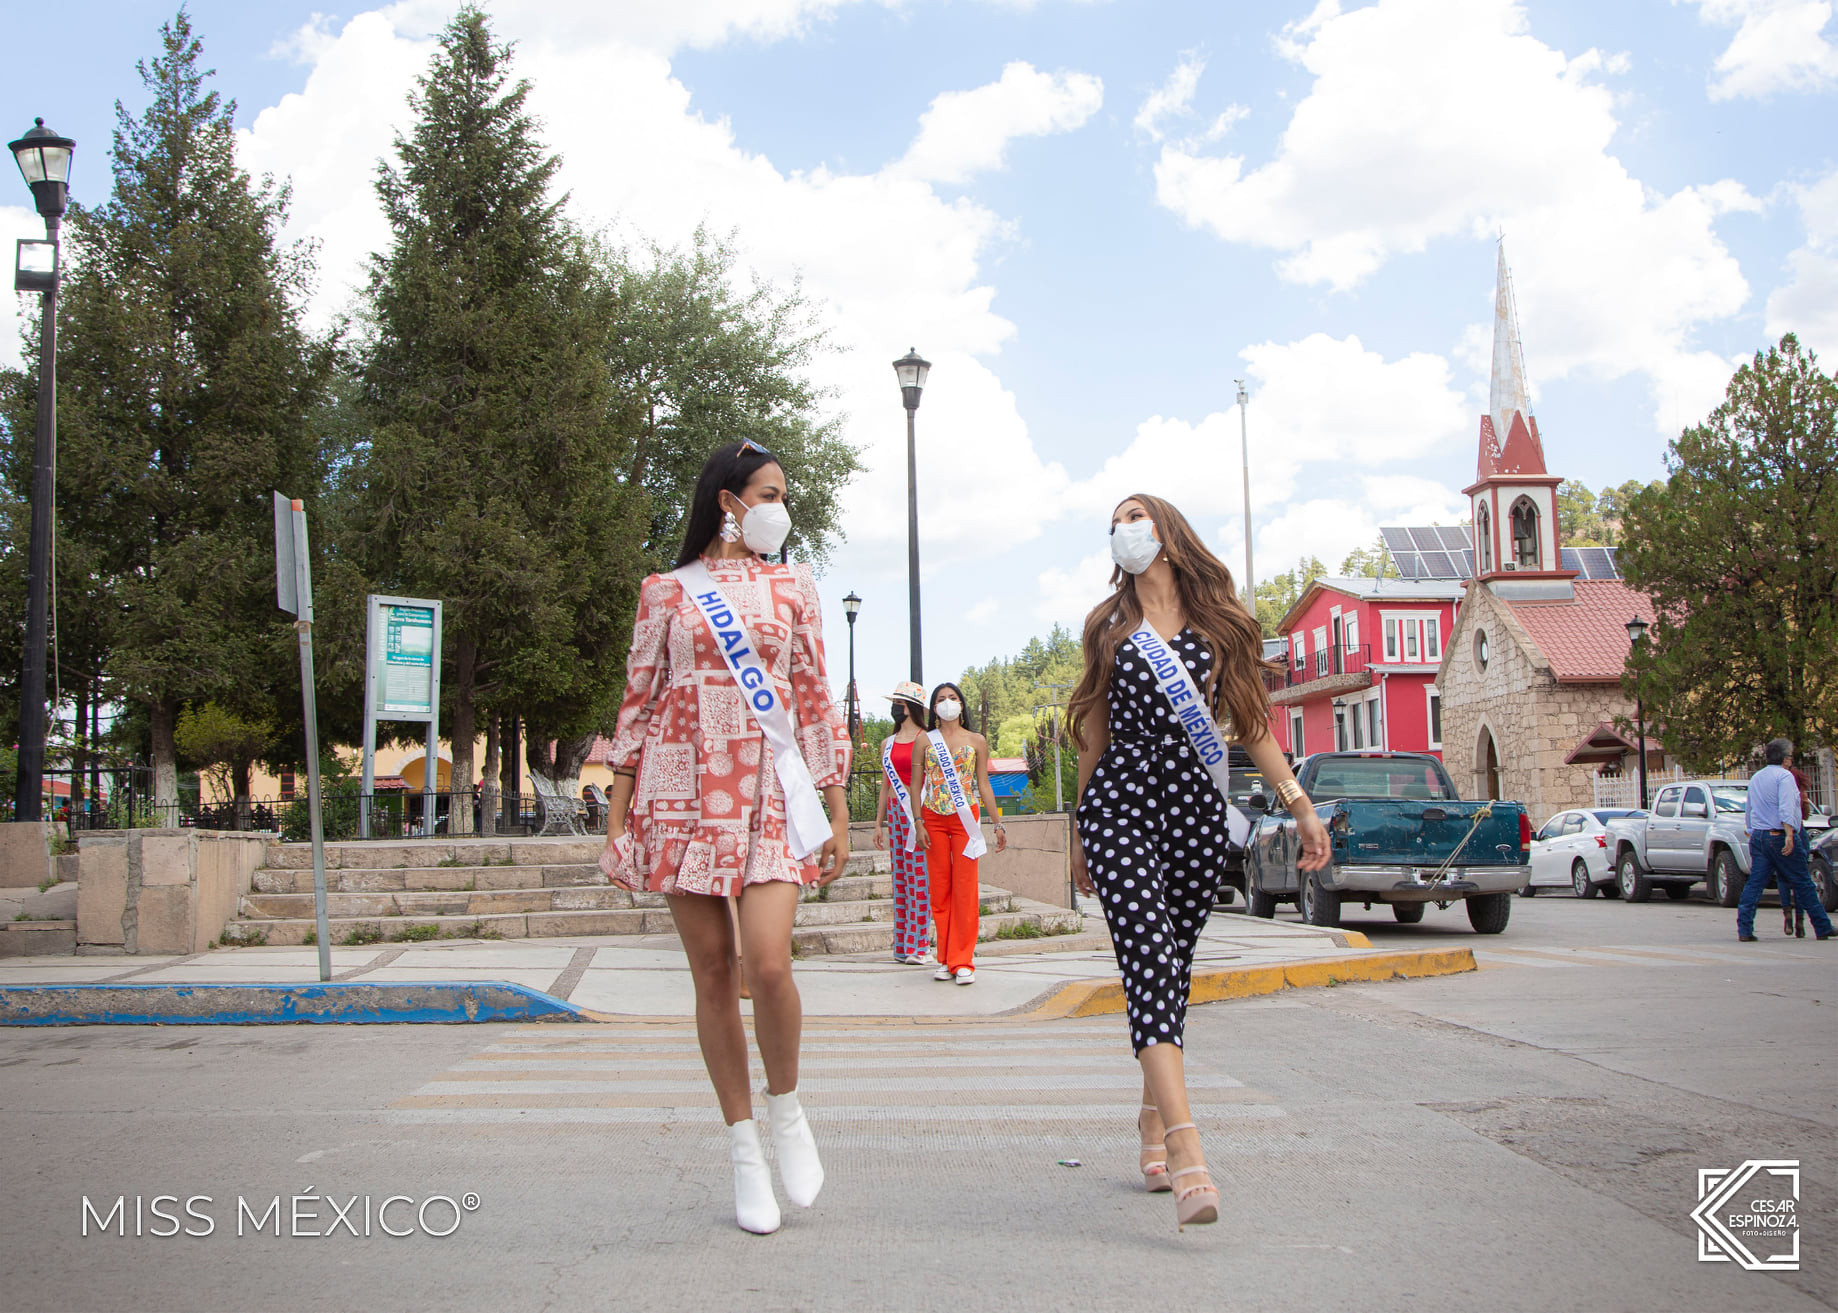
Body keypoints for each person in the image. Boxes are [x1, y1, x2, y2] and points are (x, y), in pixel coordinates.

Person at [601, 439, 854, 1236]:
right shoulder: (666, 591)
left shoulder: (796, 586)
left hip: (770, 793)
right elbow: (638, 698)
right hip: (682, 789)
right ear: (729, 500)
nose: (782, 506)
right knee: (713, 971)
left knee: (769, 963)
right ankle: (743, 1145)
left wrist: (836, 798)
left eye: (786, 495)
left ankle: (787, 1109)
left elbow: (813, 695)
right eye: (771, 491)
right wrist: (619, 799)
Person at [1068, 493, 1330, 1229]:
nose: (1124, 531)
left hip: (1193, 807)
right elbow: (1092, 730)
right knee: (1147, 955)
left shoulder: (1222, 626)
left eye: (1134, 517)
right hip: (1120, 802)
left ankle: (1152, 1116)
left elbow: (1250, 724)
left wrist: (1298, 803)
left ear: (1168, 533)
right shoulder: (1108, 627)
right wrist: (1080, 830)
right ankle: (1188, 1147)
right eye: (1115, 522)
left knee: (1173, 965)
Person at [911, 681, 1007, 984]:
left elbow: (984, 784)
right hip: (933, 819)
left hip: (966, 820)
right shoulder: (924, 740)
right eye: (941, 699)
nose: (947, 702)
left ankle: (963, 960)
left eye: (952, 698)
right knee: (940, 891)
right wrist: (917, 822)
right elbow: (915, 785)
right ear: (934, 707)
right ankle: (945, 958)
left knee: (965, 889)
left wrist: (997, 823)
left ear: (961, 704)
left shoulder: (976, 740)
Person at [1737, 738, 1833, 944]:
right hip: (1779, 835)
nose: (1791, 760)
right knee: (1803, 882)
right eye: (1789, 756)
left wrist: (1751, 830)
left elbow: (1750, 808)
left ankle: (1744, 928)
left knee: (1755, 883)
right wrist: (1790, 834)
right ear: (1783, 757)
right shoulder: (1784, 777)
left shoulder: (1757, 777)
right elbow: (1786, 807)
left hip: (1759, 836)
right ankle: (1822, 926)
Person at [873, 681, 934, 964]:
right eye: (894, 703)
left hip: (920, 812)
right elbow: (886, 786)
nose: (894, 708)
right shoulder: (887, 743)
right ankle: (902, 945)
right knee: (900, 879)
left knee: (920, 879)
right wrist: (878, 823)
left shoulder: (928, 738)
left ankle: (920, 945)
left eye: (898, 703)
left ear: (911, 707)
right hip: (897, 814)